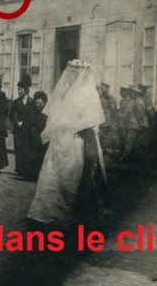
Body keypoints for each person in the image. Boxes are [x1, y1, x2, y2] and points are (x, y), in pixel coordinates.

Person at [28, 60, 106, 229]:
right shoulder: (64, 92)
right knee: (53, 172)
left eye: (75, 73)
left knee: (70, 175)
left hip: (76, 141)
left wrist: (69, 125)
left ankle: (70, 213)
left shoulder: (87, 93)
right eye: (69, 73)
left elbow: (92, 120)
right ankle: (47, 212)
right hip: (60, 140)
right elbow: (54, 114)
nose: (71, 77)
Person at [8, 76, 34, 179]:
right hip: (18, 129)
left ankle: (26, 169)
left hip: (28, 129)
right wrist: (16, 122)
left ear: (26, 90)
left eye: (20, 90)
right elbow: (10, 115)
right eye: (18, 90)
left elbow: (34, 115)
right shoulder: (15, 102)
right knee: (18, 149)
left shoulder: (32, 102)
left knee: (27, 149)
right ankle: (19, 169)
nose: (18, 92)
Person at [26, 90, 49, 181]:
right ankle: (31, 175)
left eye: (41, 103)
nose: (38, 105)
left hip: (43, 138)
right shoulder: (32, 113)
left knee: (41, 156)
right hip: (34, 137)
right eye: (37, 103)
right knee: (33, 156)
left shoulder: (46, 114)